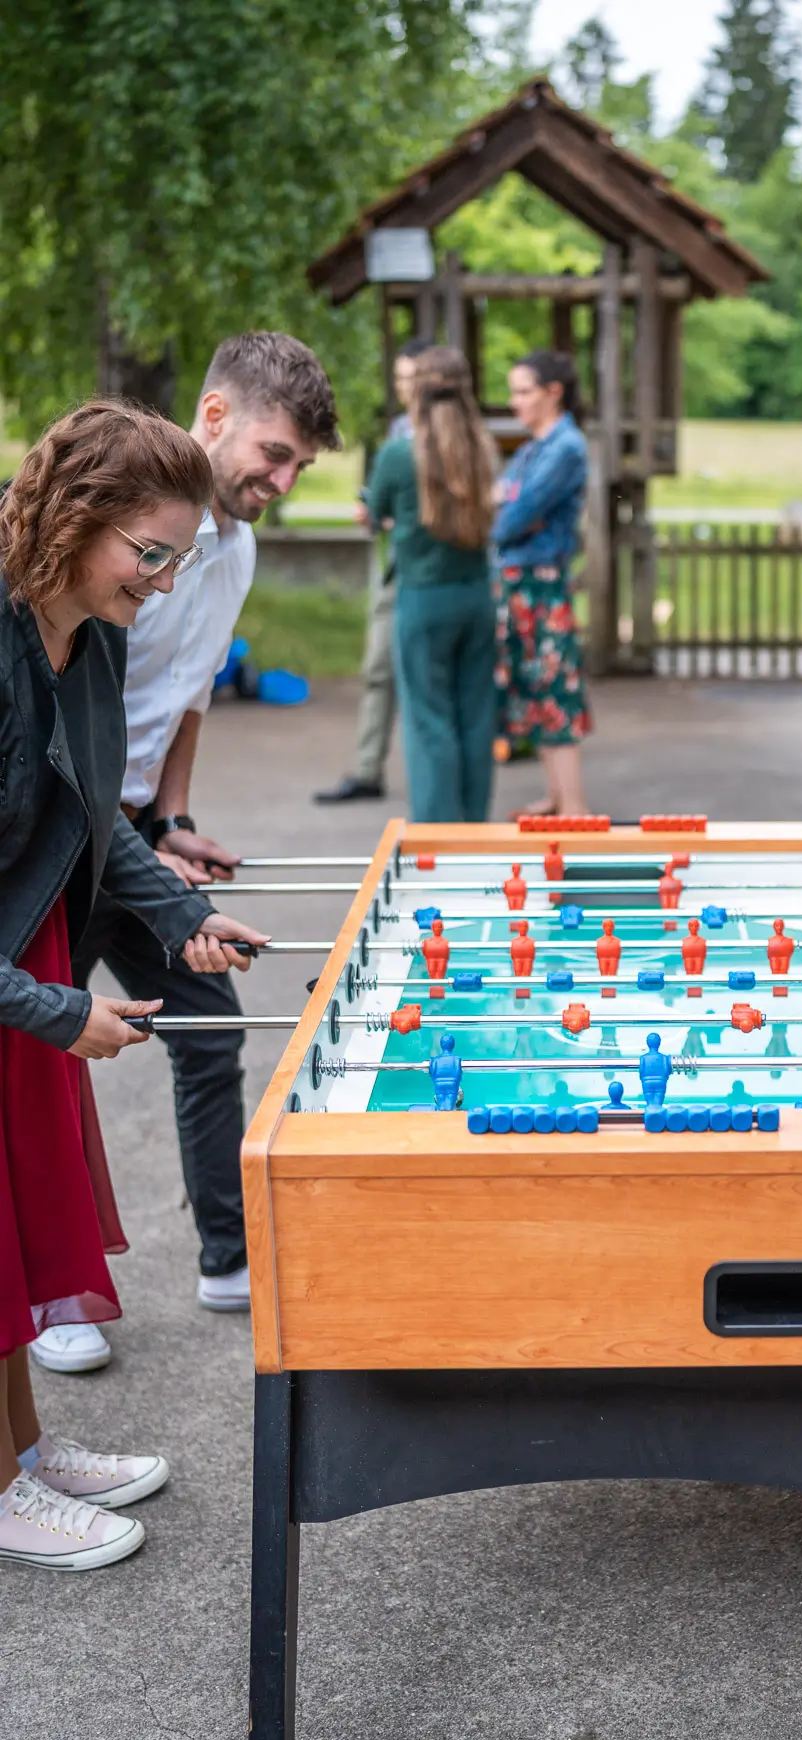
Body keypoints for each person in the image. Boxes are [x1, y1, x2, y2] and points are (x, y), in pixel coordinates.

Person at [0, 399, 266, 1570]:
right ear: (71, 516)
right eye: (146, 553)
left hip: (24, 947)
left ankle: (22, 1455)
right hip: (12, 972)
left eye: (174, 557)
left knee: (17, 1233)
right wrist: (61, 1012)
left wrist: (186, 912)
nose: (161, 582)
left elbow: (95, 809)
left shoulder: (89, 633)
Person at [36, 335, 335, 1374]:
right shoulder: (111, 548)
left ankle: (225, 1255)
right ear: (213, 415)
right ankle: (56, 1292)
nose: (283, 479)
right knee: (45, 1048)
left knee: (209, 1030)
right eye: (275, 449)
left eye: (301, 466)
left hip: (130, 836)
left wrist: (170, 818)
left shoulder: (233, 552)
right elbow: (77, 707)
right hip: (50, 833)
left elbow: (189, 694)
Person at [364, 346, 496, 822]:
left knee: (428, 720)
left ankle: (441, 833)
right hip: (478, 596)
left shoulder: (399, 454)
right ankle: (475, 824)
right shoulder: (483, 449)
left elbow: (373, 513)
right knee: (476, 716)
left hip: (423, 599)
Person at [314, 338, 429, 805]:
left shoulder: (452, 435)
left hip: (431, 573)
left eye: (411, 379)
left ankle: (431, 781)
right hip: (395, 566)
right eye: (400, 379)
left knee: (422, 677)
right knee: (378, 669)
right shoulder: (401, 429)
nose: (404, 389)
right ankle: (367, 770)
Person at [493, 348, 592, 817]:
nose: (515, 403)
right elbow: (502, 502)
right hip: (521, 582)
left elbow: (511, 516)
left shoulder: (566, 447)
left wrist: (508, 511)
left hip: (542, 582)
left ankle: (573, 808)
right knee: (536, 691)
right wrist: (507, 509)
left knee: (554, 691)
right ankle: (556, 798)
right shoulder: (534, 447)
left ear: (554, 393)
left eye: (523, 392)